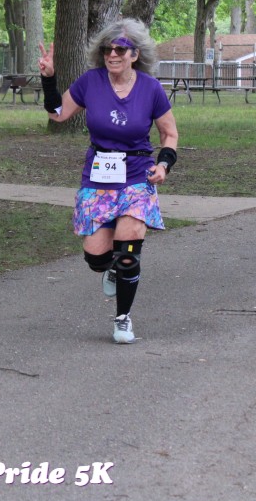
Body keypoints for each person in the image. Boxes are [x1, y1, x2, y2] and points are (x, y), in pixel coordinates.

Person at [37, 18, 178, 344]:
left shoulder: (150, 88)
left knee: (128, 250)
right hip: (99, 176)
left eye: (120, 49)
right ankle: (112, 266)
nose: (113, 54)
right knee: (96, 255)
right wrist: (48, 79)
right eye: (107, 49)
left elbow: (169, 134)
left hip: (137, 175)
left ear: (135, 54)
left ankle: (123, 319)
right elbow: (57, 113)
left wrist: (164, 165)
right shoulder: (91, 82)